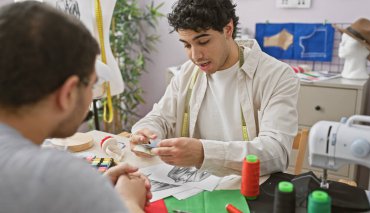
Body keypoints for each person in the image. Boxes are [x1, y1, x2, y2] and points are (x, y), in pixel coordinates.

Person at [0, 2, 150, 213]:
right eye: (92, 83)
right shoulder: (56, 175)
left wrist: (90, 194)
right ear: (68, 93)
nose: (92, 94)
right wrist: (128, 201)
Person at [130, 0, 300, 177]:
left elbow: (276, 153)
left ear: (228, 29)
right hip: (193, 186)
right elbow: (160, 118)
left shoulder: (277, 76)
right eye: (187, 45)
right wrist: (145, 134)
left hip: (246, 190)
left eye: (203, 42)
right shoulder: (187, 72)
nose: (195, 56)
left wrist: (204, 153)